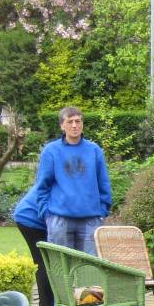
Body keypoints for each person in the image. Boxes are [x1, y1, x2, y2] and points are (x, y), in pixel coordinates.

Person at [33, 107, 111, 254]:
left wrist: (102, 211)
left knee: (88, 269)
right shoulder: (51, 151)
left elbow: (104, 183)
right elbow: (42, 186)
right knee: (62, 269)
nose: (74, 125)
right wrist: (47, 214)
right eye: (70, 122)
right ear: (62, 125)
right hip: (59, 220)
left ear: (82, 124)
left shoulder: (94, 150)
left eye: (78, 121)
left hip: (91, 219)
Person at [11, 180, 54, 306]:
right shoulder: (62, 181)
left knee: (45, 263)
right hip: (30, 219)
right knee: (44, 263)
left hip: (28, 216)